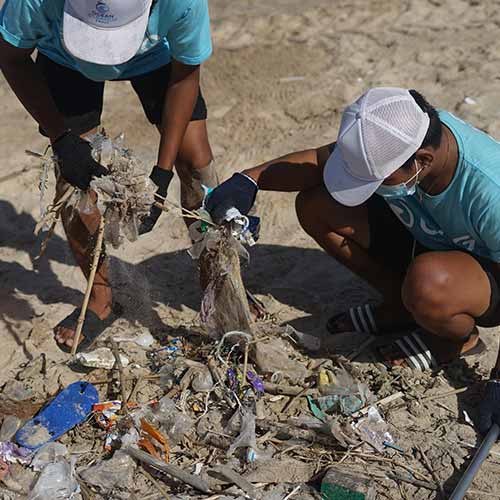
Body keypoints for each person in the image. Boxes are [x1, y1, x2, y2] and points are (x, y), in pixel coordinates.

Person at [205, 86, 500, 436]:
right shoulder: (396, 133)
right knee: (316, 204)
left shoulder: (489, 190)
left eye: (378, 178)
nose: (371, 184)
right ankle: (402, 305)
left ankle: (454, 339)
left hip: (486, 278)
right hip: (432, 239)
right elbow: (318, 164)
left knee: (428, 283)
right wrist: (249, 180)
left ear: (422, 161)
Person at [0, 0, 218, 351]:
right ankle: (100, 297)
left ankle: (216, 284)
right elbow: (10, 55)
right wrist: (61, 138)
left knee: (197, 162)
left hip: (156, 56)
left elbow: (184, 73)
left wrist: (162, 173)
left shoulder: (182, 3)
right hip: (65, 57)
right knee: (71, 183)